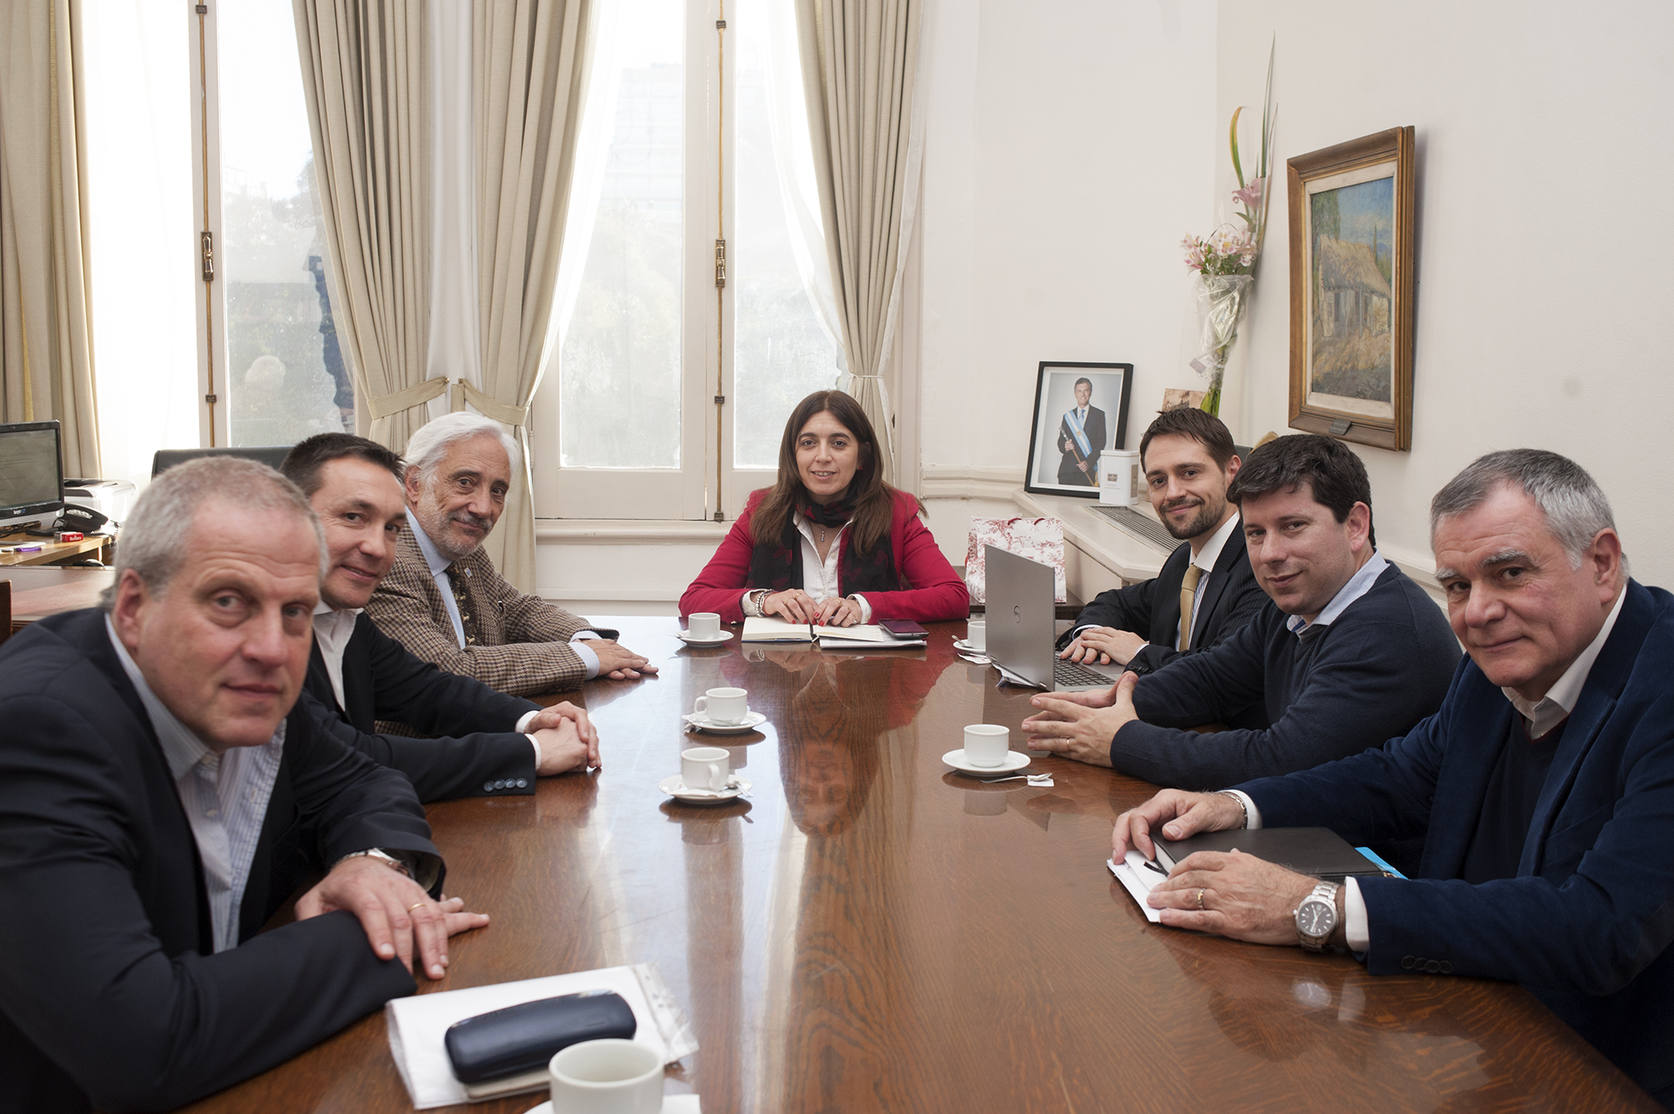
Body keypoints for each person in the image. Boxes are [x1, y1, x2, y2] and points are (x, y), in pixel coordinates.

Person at [1112, 449, 1674, 1106]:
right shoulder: (1507, 653)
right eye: (1458, 585)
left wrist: (1313, 907)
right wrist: (1234, 805)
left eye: (1511, 572)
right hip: (1464, 1022)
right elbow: (1401, 777)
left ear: (1602, 563)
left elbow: (1599, 924)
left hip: (1596, 1072)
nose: (1478, 611)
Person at [0, 458, 487, 1113]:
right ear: (135, 607)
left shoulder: (244, 688)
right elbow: (138, 1044)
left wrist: (371, 865)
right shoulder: (37, 729)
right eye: (229, 602)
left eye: (294, 612)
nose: (271, 647)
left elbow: (364, 779)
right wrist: (375, 934)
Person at [1023, 434, 1459, 788]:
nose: (1270, 554)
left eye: (1293, 527)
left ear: (1356, 526)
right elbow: (1213, 678)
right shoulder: (1301, 599)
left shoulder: (1387, 629)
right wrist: (1114, 702)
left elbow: (1280, 760)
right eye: (1255, 533)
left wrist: (1120, 740)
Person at [281, 433, 600, 801]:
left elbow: (428, 690)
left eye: (391, 529)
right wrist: (535, 752)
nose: (377, 548)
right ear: (288, 514)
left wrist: (532, 719)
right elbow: (345, 758)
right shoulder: (263, 632)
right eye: (353, 517)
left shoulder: (344, 615)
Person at [365, 412, 657, 697]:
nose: (483, 508)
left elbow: (517, 610)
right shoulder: (386, 559)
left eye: (497, 490)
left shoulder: (461, 545)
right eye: (465, 482)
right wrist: (583, 657)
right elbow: (446, 672)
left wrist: (586, 639)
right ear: (415, 484)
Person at [679, 389, 969, 626]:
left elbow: (954, 596)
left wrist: (864, 607)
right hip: (774, 677)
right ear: (794, 456)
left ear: (861, 458)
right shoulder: (761, 511)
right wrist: (763, 601)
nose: (822, 456)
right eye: (808, 443)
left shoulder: (896, 512)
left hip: (873, 677)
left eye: (839, 443)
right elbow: (694, 600)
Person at [1057, 407, 1267, 676]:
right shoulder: (1185, 561)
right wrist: (1091, 637)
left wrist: (1138, 652)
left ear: (1232, 471)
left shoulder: (1259, 565)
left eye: (1189, 473)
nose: (1173, 493)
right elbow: (1114, 603)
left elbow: (1224, 672)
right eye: (1158, 480)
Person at [1055, 376, 1107, 487]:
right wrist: (1065, 446)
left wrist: (1088, 463)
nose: (1082, 394)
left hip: (1086, 472)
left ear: (1090, 392)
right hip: (1066, 472)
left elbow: (1101, 443)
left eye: (1086, 390)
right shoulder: (1067, 416)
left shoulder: (1099, 415)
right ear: (1075, 393)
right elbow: (1060, 443)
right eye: (1079, 391)